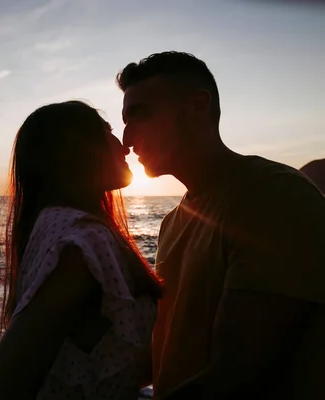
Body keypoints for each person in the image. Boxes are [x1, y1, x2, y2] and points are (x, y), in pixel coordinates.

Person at [116, 51, 325, 400]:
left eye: (142, 114)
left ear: (199, 106)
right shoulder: (173, 223)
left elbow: (238, 375)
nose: (127, 139)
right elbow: (168, 353)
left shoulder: (272, 195)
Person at [0, 100, 164, 399]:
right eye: (108, 131)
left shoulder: (51, 223)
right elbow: (2, 386)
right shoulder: (82, 239)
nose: (124, 145)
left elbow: (99, 364)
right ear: (78, 148)